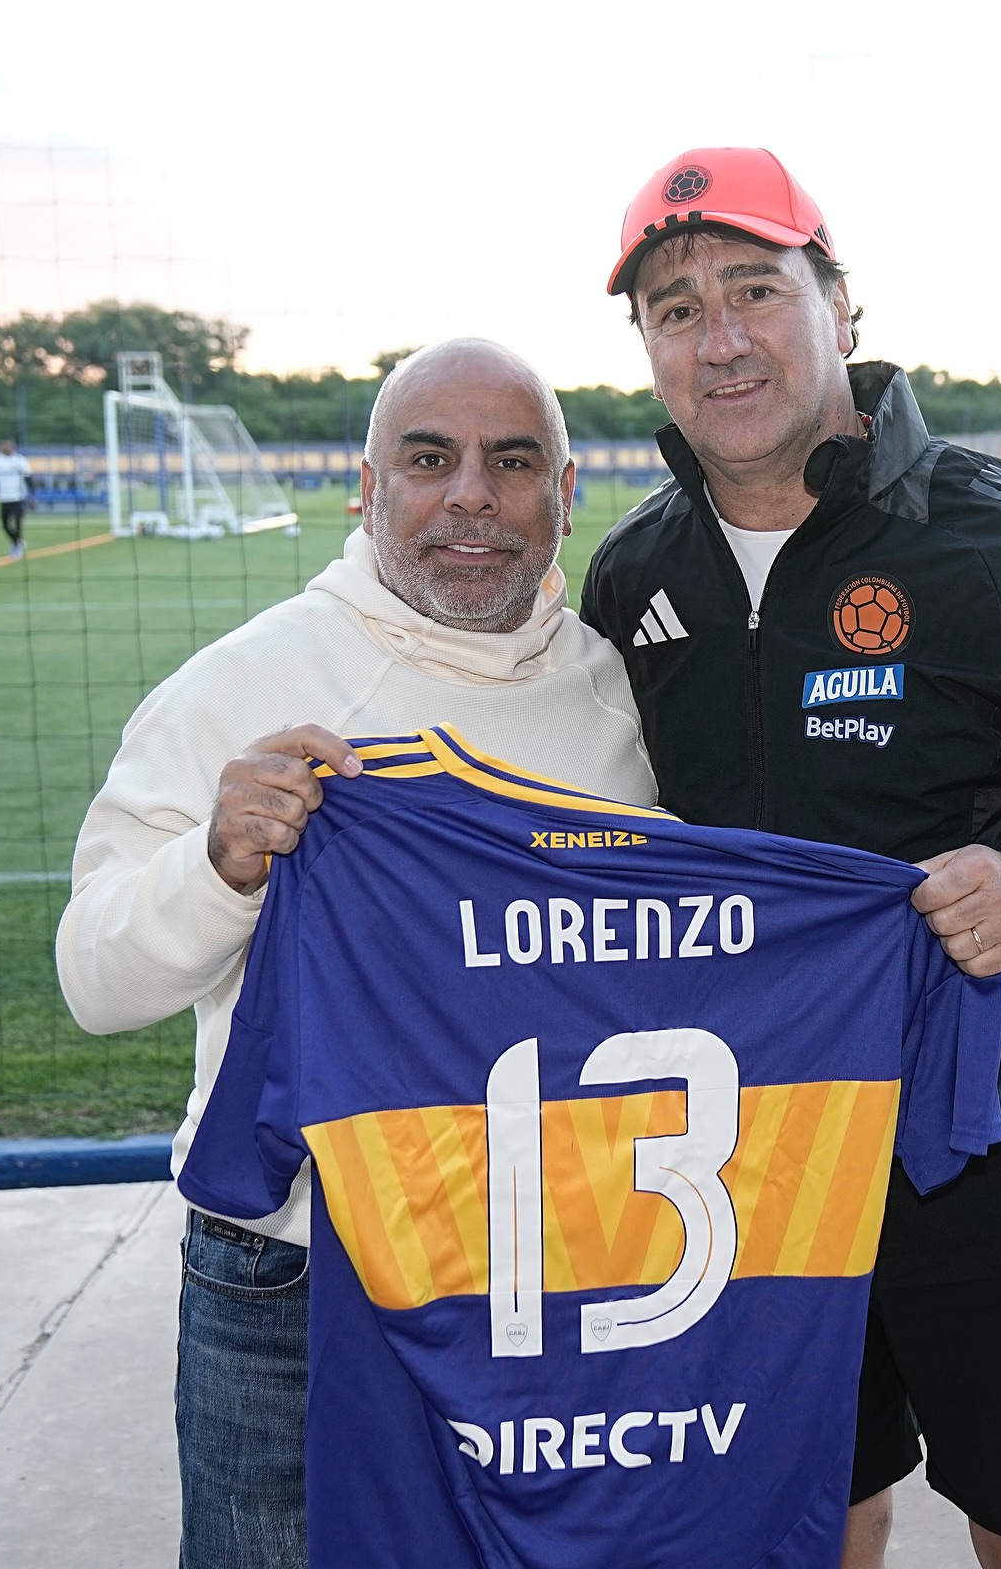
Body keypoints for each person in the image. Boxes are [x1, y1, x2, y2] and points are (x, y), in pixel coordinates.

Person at [582, 148, 1001, 1569]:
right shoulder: (634, 580)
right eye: (677, 309)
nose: (723, 336)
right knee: (808, 1521)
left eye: (757, 288)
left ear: (841, 305)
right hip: (744, 1165)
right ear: (646, 347)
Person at [57, 339, 657, 1569]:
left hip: (553, 1274)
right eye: (429, 461)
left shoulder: (620, 698)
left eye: (514, 462)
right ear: (368, 490)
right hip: (296, 1275)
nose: (474, 496)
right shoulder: (240, 686)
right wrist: (219, 866)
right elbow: (92, 979)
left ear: (565, 494)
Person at [0, 437, 33, 557]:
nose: (3, 448)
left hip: (18, 497)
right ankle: (17, 541)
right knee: (4, 524)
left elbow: (29, 478)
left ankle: (17, 545)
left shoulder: (20, 460)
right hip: (3, 497)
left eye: (6, 445)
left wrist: (32, 495)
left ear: (11, 446)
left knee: (17, 521)